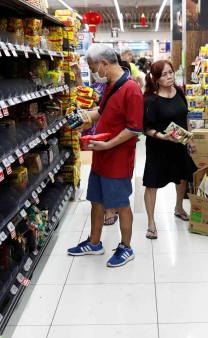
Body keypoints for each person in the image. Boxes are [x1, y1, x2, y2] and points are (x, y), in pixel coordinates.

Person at [67, 44, 143, 267]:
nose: (93, 73)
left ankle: (126, 248)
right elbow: (101, 112)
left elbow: (134, 128)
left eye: (92, 68)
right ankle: (94, 242)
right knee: (96, 201)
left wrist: (108, 145)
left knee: (120, 204)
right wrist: (81, 119)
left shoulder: (132, 90)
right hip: (101, 154)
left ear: (104, 64)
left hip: (118, 159)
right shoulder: (110, 86)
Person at [72, 54, 131, 226]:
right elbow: (87, 99)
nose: (93, 71)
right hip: (95, 127)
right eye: (90, 68)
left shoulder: (122, 86)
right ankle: (100, 225)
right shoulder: (99, 85)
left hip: (112, 138)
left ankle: (111, 210)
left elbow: (131, 125)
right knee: (99, 173)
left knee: (112, 176)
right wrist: (77, 75)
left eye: (93, 67)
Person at [142, 60, 197, 239]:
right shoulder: (152, 100)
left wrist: (190, 139)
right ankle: (151, 222)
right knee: (152, 184)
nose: (169, 77)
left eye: (171, 72)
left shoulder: (179, 92)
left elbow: (184, 117)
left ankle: (179, 207)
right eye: (164, 75)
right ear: (155, 79)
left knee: (181, 177)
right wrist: (162, 136)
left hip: (178, 145)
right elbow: (146, 128)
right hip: (158, 148)